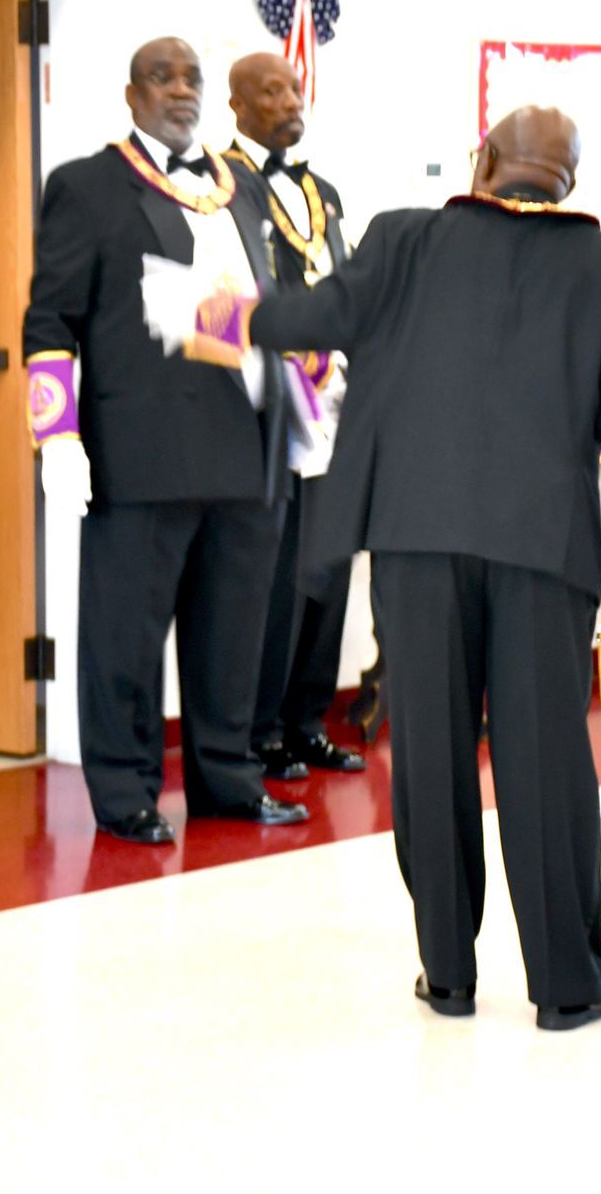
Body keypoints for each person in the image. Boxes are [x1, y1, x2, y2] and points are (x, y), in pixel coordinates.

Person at [146, 106, 601, 1030]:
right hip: (542, 550)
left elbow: (308, 319)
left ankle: (449, 974)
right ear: (570, 181)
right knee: (545, 763)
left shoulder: (403, 240)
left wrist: (192, 310)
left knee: (431, 757)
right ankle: (568, 985)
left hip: (416, 538)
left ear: (483, 162)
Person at [21, 36, 308, 845]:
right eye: (162, 77)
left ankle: (227, 780)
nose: (181, 91)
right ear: (131, 94)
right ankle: (125, 791)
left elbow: (264, 305)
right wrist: (56, 435)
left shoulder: (243, 187)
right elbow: (50, 320)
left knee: (233, 635)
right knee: (126, 636)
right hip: (143, 449)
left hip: (247, 443)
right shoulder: (87, 186)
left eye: (191, 79)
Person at [222, 52, 365, 780]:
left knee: (327, 570)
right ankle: (262, 727)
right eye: (272, 90)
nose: (290, 100)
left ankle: (308, 720)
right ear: (237, 106)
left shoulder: (324, 190)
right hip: (269, 403)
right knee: (274, 577)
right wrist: (291, 351)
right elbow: (226, 294)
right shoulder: (223, 185)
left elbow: (346, 278)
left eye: (294, 88)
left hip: (335, 401)